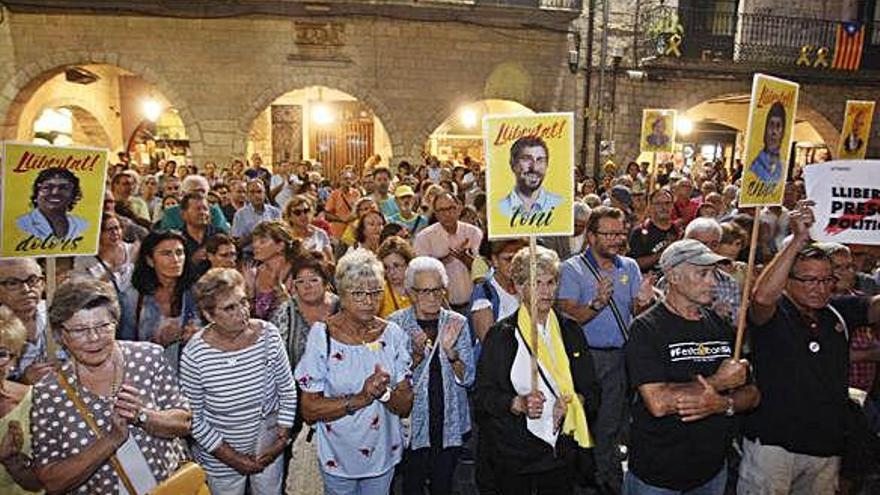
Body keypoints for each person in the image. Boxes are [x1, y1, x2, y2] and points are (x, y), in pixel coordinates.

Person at [737, 201, 880, 494]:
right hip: (774, 447)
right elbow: (762, 297)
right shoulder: (774, 315)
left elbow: (876, 308)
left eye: (827, 280)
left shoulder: (837, 311)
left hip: (825, 447)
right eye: (809, 280)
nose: (819, 288)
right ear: (787, 281)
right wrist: (798, 240)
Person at [32, 277, 191, 494]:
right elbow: (52, 481)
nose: (94, 338)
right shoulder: (48, 393)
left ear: (116, 323)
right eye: (80, 330)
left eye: (103, 326)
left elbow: (184, 422)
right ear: (61, 335)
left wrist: (142, 416)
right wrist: (111, 440)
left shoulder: (148, 357)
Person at [624, 239, 759, 494]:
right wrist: (718, 383)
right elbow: (659, 403)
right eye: (702, 273)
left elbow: (752, 394)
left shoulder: (719, 325)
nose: (712, 281)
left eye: (714, 273)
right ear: (674, 276)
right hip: (659, 477)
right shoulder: (647, 328)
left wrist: (724, 405)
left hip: (712, 472)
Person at [475, 246, 600, 495]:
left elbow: (592, 389)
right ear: (519, 288)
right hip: (515, 456)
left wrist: (573, 403)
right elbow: (482, 398)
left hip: (561, 453)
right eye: (536, 283)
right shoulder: (502, 336)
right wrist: (516, 403)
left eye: (551, 282)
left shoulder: (571, 331)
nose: (545, 290)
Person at [295, 249, 414, 495]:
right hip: (337, 458)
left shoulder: (392, 334)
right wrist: (361, 398)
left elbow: (405, 405)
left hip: (383, 456)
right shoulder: (323, 336)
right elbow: (309, 410)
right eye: (359, 293)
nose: (369, 301)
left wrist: (384, 394)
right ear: (341, 293)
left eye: (375, 292)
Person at [557, 206, 655, 494]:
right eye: (609, 234)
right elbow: (570, 315)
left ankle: (601, 477)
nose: (616, 240)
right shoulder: (571, 269)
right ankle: (578, 475)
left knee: (611, 422)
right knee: (581, 421)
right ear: (590, 236)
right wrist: (597, 303)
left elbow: (635, 310)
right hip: (585, 358)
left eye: (620, 234)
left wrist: (644, 303)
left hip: (620, 357)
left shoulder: (630, 266)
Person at [180, 268, 296, 494]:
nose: (242, 312)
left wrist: (282, 436)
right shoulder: (195, 354)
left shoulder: (268, 335)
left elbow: (287, 388)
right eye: (230, 308)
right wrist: (233, 458)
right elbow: (194, 418)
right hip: (220, 458)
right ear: (209, 315)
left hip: (268, 448)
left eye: (243, 302)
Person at [388, 257, 475, 495]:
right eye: (426, 291)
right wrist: (415, 357)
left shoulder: (457, 322)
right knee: (412, 485)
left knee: (443, 485)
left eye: (438, 290)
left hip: (449, 423)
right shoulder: (395, 325)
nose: (433, 297)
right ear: (412, 293)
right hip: (412, 425)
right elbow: (392, 382)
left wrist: (453, 356)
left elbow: (469, 378)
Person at [131, 230, 200, 372]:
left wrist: (197, 335)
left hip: (192, 373)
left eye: (179, 253)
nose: (175, 259)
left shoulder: (196, 292)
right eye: (166, 254)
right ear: (150, 260)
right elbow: (124, 344)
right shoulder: (132, 297)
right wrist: (158, 342)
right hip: (148, 374)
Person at [73, 212, 139, 340]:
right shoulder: (85, 259)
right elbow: (83, 291)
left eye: (117, 228)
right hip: (103, 317)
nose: (115, 233)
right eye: (109, 229)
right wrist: (109, 273)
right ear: (98, 233)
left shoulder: (133, 250)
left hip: (134, 317)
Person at [415, 192, 483, 315]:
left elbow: (484, 272)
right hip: (440, 309)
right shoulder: (424, 238)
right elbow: (423, 275)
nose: (447, 214)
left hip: (476, 305)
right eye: (441, 210)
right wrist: (444, 260)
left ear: (459, 209)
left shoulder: (473, 233)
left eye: (451, 208)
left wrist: (465, 258)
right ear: (435, 213)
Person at [0, 259, 63, 384]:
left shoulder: (60, 315)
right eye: (13, 283)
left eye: (32, 280)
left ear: (43, 284)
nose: (26, 289)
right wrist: (23, 382)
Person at [0, 307, 42, 494]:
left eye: (1, 353)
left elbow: (46, 481)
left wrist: (12, 461)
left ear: (15, 359)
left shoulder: (36, 400)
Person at [245, 220, 302, 321]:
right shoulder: (253, 273)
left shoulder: (298, 272)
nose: (255, 245)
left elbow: (302, 314)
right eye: (254, 241)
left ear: (280, 246)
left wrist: (283, 295)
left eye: (262, 241)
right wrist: (250, 292)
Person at [16, 167, 88, 241]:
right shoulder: (22, 224)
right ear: (37, 193)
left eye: (63, 188)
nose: (55, 192)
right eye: (47, 187)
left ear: (73, 194)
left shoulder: (81, 225)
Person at [498, 137, 562, 219]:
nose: (534, 167)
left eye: (540, 160)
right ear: (513, 164)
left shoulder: (559, 205)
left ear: (547, 165)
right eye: (527, 159)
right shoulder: (500, 209)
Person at [629, 189, 680, 274]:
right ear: (650, 206)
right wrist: (663, 254)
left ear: (672, 206)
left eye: (667, 203)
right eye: (658, 204)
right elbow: (633, 264)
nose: (663, 207)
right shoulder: (639, 232)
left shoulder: (679, 231)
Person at [159, 175, 231, 233]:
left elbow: (222, 235)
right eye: (196, 191)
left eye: (203, 191)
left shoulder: (214, 210)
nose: (200, 195)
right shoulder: (171, 213)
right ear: (183, 193)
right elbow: (168, 237)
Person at [232, 179, 283, 255]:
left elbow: (281, 236)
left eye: (259, 192)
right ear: (247, 195)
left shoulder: (275, 212)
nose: (256, 195)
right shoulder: (240, 215)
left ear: (264, 194)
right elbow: (238, 244)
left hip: (273, 253)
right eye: (252, 192)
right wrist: (258, 232)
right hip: (250, 254)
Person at [284, 195, 333, 262]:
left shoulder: (320, 234)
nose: (303, 215)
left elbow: (330, 261)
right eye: (297, 212)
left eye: (306, 211)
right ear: (289, 216)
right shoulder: (285, 237)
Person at [748, 102, 786, 185]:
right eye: (771, 125)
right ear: (765, 129)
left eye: (778, 126)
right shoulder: (756, 165)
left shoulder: (783, 165)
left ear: (783, 132)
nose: (774, 132)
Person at [377, 236, 416, 318]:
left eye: (396, 265)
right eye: (386, 267)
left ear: (408, 263)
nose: (391, 272)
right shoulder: (380, 292)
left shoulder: (421, 288)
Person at [325, 169, 362, 239]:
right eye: (345, 179)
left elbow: (360, 210)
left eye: (350, 179)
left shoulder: (356, 193)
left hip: (352, 231)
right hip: (337, 232)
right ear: (340, 181)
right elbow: (327, 214)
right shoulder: (334, 194)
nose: (348, 181)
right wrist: (342, 220)